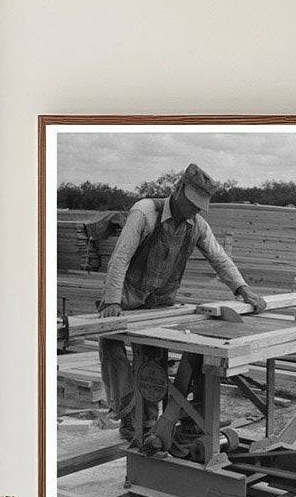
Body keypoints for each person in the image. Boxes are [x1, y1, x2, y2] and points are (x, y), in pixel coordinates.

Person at [97, 163, 267, 440]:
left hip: (160, 302)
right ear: (177, 190)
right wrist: (112, 302)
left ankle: (156, 422)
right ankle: (128, 415)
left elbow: (219, 258)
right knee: (111, 346)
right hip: (127, 298)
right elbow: (120, 257)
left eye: (200, 206)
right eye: (192, 203)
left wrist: (243, 289)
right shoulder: (145, 213)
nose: (194, 210)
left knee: (153, 358)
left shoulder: (197, 225)